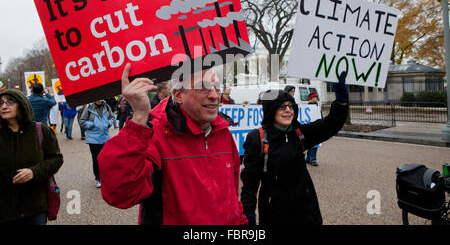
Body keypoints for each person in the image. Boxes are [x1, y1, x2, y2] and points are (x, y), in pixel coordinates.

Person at [98, 63, 247, 225]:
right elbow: (120, 194)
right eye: (203, 87)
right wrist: (140, 116)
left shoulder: (223, 132)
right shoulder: (155, 135)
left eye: (217, 87)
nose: (214, 95)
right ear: (178, 95)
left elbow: (232, 194)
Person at [240, 72, 349, 225]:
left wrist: (341, 100)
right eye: (282, 106)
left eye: (291, 106)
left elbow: (331, 124)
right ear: (271, 110)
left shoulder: (299, 133)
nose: (288, 110)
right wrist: (248, 217)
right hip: (275, 216)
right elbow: (250, 185)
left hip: (308, 214)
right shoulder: (257, 139)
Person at [0, 89, 63, 224]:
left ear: (21, 104)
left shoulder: (41, 130)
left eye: (10, 102)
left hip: (35, 208)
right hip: (5, 209)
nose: (4, 106)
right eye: (1, 104)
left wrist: (34, 172)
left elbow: (56, 159)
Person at [79, 99, 114, 188]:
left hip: (105, 137)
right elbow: (82, 121)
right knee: (96, 159)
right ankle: (98, 178)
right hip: (93, 138)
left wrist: (108, 123)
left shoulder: (107, 106)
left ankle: (105, 177)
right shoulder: (89, 107)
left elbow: (111, 117)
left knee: (105, 159)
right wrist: (92, 125)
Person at [305, 93, 321, 166]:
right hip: (309, 127)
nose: (316, 98)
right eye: (315, 97)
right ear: (311, 99)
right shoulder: (307, 107)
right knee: (310, 143)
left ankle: (311, 158)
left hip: (316, 127)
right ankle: (310, 158)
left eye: (316, 97)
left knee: (315, 144)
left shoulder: (317, 106)